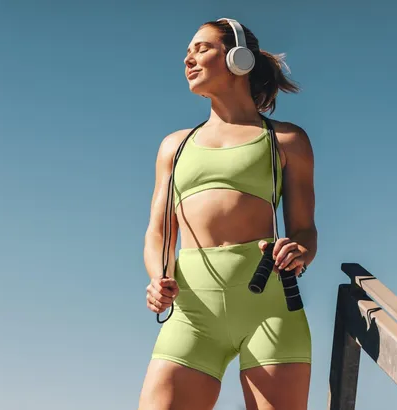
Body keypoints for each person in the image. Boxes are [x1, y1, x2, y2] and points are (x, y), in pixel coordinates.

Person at [138, 18, 318, 410]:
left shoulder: (287, 140)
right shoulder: (175, 146)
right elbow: (158, 232)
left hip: (269, 309)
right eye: (187, 52)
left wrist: (300, 251)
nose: (189, 59)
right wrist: (158, 278)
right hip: (192, 312)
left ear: (239, 58)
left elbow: (304, 229)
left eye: (202, 48)